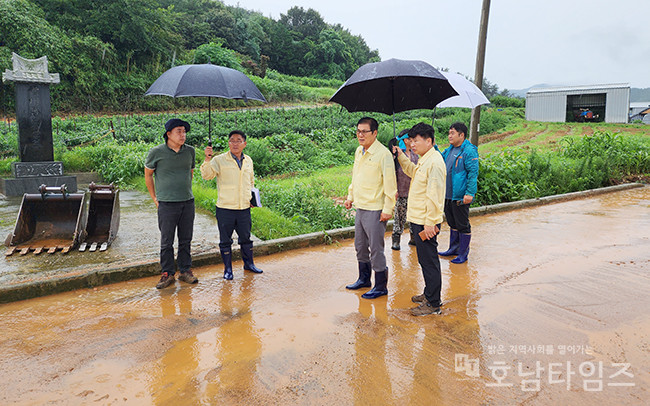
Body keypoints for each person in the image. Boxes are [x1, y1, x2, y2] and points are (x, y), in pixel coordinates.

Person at [393, 122, 446, 316]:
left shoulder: (435, 162)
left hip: (426, 222)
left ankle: (433, 303)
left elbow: (435, 195)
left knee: (429, 261)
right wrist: (400, 155)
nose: (412, 144)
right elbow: (412, 172)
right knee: (425, 261)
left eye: (416, 140)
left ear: (429, 140)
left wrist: (431, 222)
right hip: (419, 219)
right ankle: (429, 293)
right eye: (410, 140)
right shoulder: (425, 159)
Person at [345, 117, 397, 299]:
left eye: (364, 131)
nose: (360, 135)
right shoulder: (359, 151)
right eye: (358, 131)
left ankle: (381, 286)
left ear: (374, 133)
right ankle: (364, 279)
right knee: (360, 246)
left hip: (376, 209)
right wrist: (350, 197)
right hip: (361, 206)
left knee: (376, 248)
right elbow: (355, 177)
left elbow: (391, 186)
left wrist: (388, 209)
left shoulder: (383, 155)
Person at [201, 130, 263, 280]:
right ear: (228, 143)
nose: (235, 143)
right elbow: (206, 176)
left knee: (246, 239)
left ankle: (249, 264)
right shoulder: (219, 160)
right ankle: (228, 270)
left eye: (238, 140)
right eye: (232, 140)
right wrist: (207, 159)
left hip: (244, 208)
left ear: (244, 144)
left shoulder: (248, 160)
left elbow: (251, 181)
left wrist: (251, 198)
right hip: (225, 208)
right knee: (225, 240)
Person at [145, 118, 198, 289]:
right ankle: (167, 273)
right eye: (179, 132)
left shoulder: (190, 151)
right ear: (169, 134)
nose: (183, 135)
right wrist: (154, 198)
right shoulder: (156, 152)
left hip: (187, 202)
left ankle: (185, 270)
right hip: (167, 204)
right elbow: (148, 175)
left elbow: (190, 172)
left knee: (186, 238)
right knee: (167, 241)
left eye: (184, 131)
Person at [438, 122, 479, 264]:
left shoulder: (468, 151)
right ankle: (453, 249)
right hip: (448, 193)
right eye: (449, 133)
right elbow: (439, 159)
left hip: (460, 195)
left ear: (461, 135)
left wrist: (469, 193)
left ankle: (463, 253)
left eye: (452, 133)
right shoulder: (449, 149)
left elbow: (473, 173)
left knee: (462, 224)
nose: (449, 136)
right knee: (452, 222)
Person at [387, 129, 419, 250]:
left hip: (414, 192)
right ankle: (396, 239)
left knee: (413, 216)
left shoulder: (416, 155)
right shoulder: (397, 156)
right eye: (412, 140)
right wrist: (394, 189)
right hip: (401, 190)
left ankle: (413, 237)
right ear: (406, 140)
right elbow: (392, 174)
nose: (414, 143)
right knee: (399, 217)